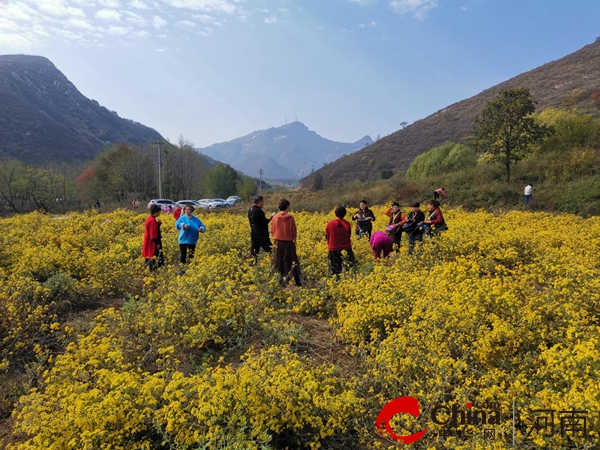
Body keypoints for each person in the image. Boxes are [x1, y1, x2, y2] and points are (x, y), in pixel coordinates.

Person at [270, 198, 302, 286]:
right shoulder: (290, 217)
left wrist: (275, 236)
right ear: (287, 207)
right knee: (293, 261)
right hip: (288, 242)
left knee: (278, 261)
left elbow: (271, 229)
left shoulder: (275, 217)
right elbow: (293, 230)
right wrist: (294, 240)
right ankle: (297, 281)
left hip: (277, 242)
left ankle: (279, 281)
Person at [325, 206, 355, 277]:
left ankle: (336, 282)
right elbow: (348, 235)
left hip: (333, 248)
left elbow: (327, 235)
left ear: (335, 213)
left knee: (335, 269)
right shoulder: (347, 224)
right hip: (346, 247)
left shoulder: (330, 224)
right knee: (348, 266)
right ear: (344, 214)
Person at [248, 195, 274, 260]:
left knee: (254, 251)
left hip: (253, 233)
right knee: (271, 250)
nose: (263, 203)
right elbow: (264, 222)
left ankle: (252, 264)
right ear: (259, 202)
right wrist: (269, 219)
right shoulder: (259, 211)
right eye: (263, 202)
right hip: (261, 234)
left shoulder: (250, 210)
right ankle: (275, 264)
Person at [142, 204, 164, 271]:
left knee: (150, 257)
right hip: (152, 243)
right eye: (159, 212)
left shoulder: (150, 219)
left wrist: (158, 225)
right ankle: (153, 270)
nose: (160, 213)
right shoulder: (152, 220)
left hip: (149, 241)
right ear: (156, 212)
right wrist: (157, 243)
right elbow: (153, 234)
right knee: (154, 257)